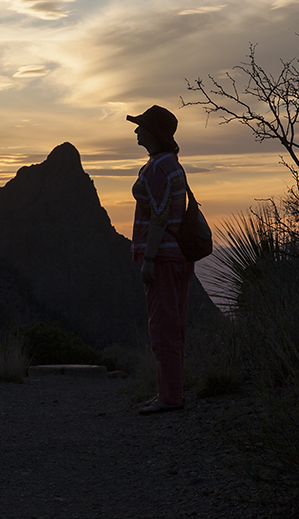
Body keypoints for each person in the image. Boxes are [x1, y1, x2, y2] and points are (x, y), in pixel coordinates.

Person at [127, 105, 194, 415]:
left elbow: (159, 215)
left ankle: (169, 398)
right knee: (173, 326)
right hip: (180, 255)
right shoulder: (172, 164)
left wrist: (149, 259)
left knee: (162, 329)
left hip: (164, 258)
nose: (136, 131)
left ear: (153, 134)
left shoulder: (156, 168)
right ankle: (170, 392)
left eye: (141, 127)